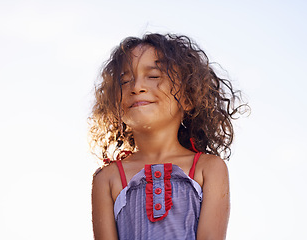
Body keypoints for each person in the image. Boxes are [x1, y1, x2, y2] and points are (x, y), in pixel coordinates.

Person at [88, 33, 248, 240]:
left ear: (188, 97)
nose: (136, 87)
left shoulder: (209, 168)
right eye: (125, 80)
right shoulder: (107, 178)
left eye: (153, 76)